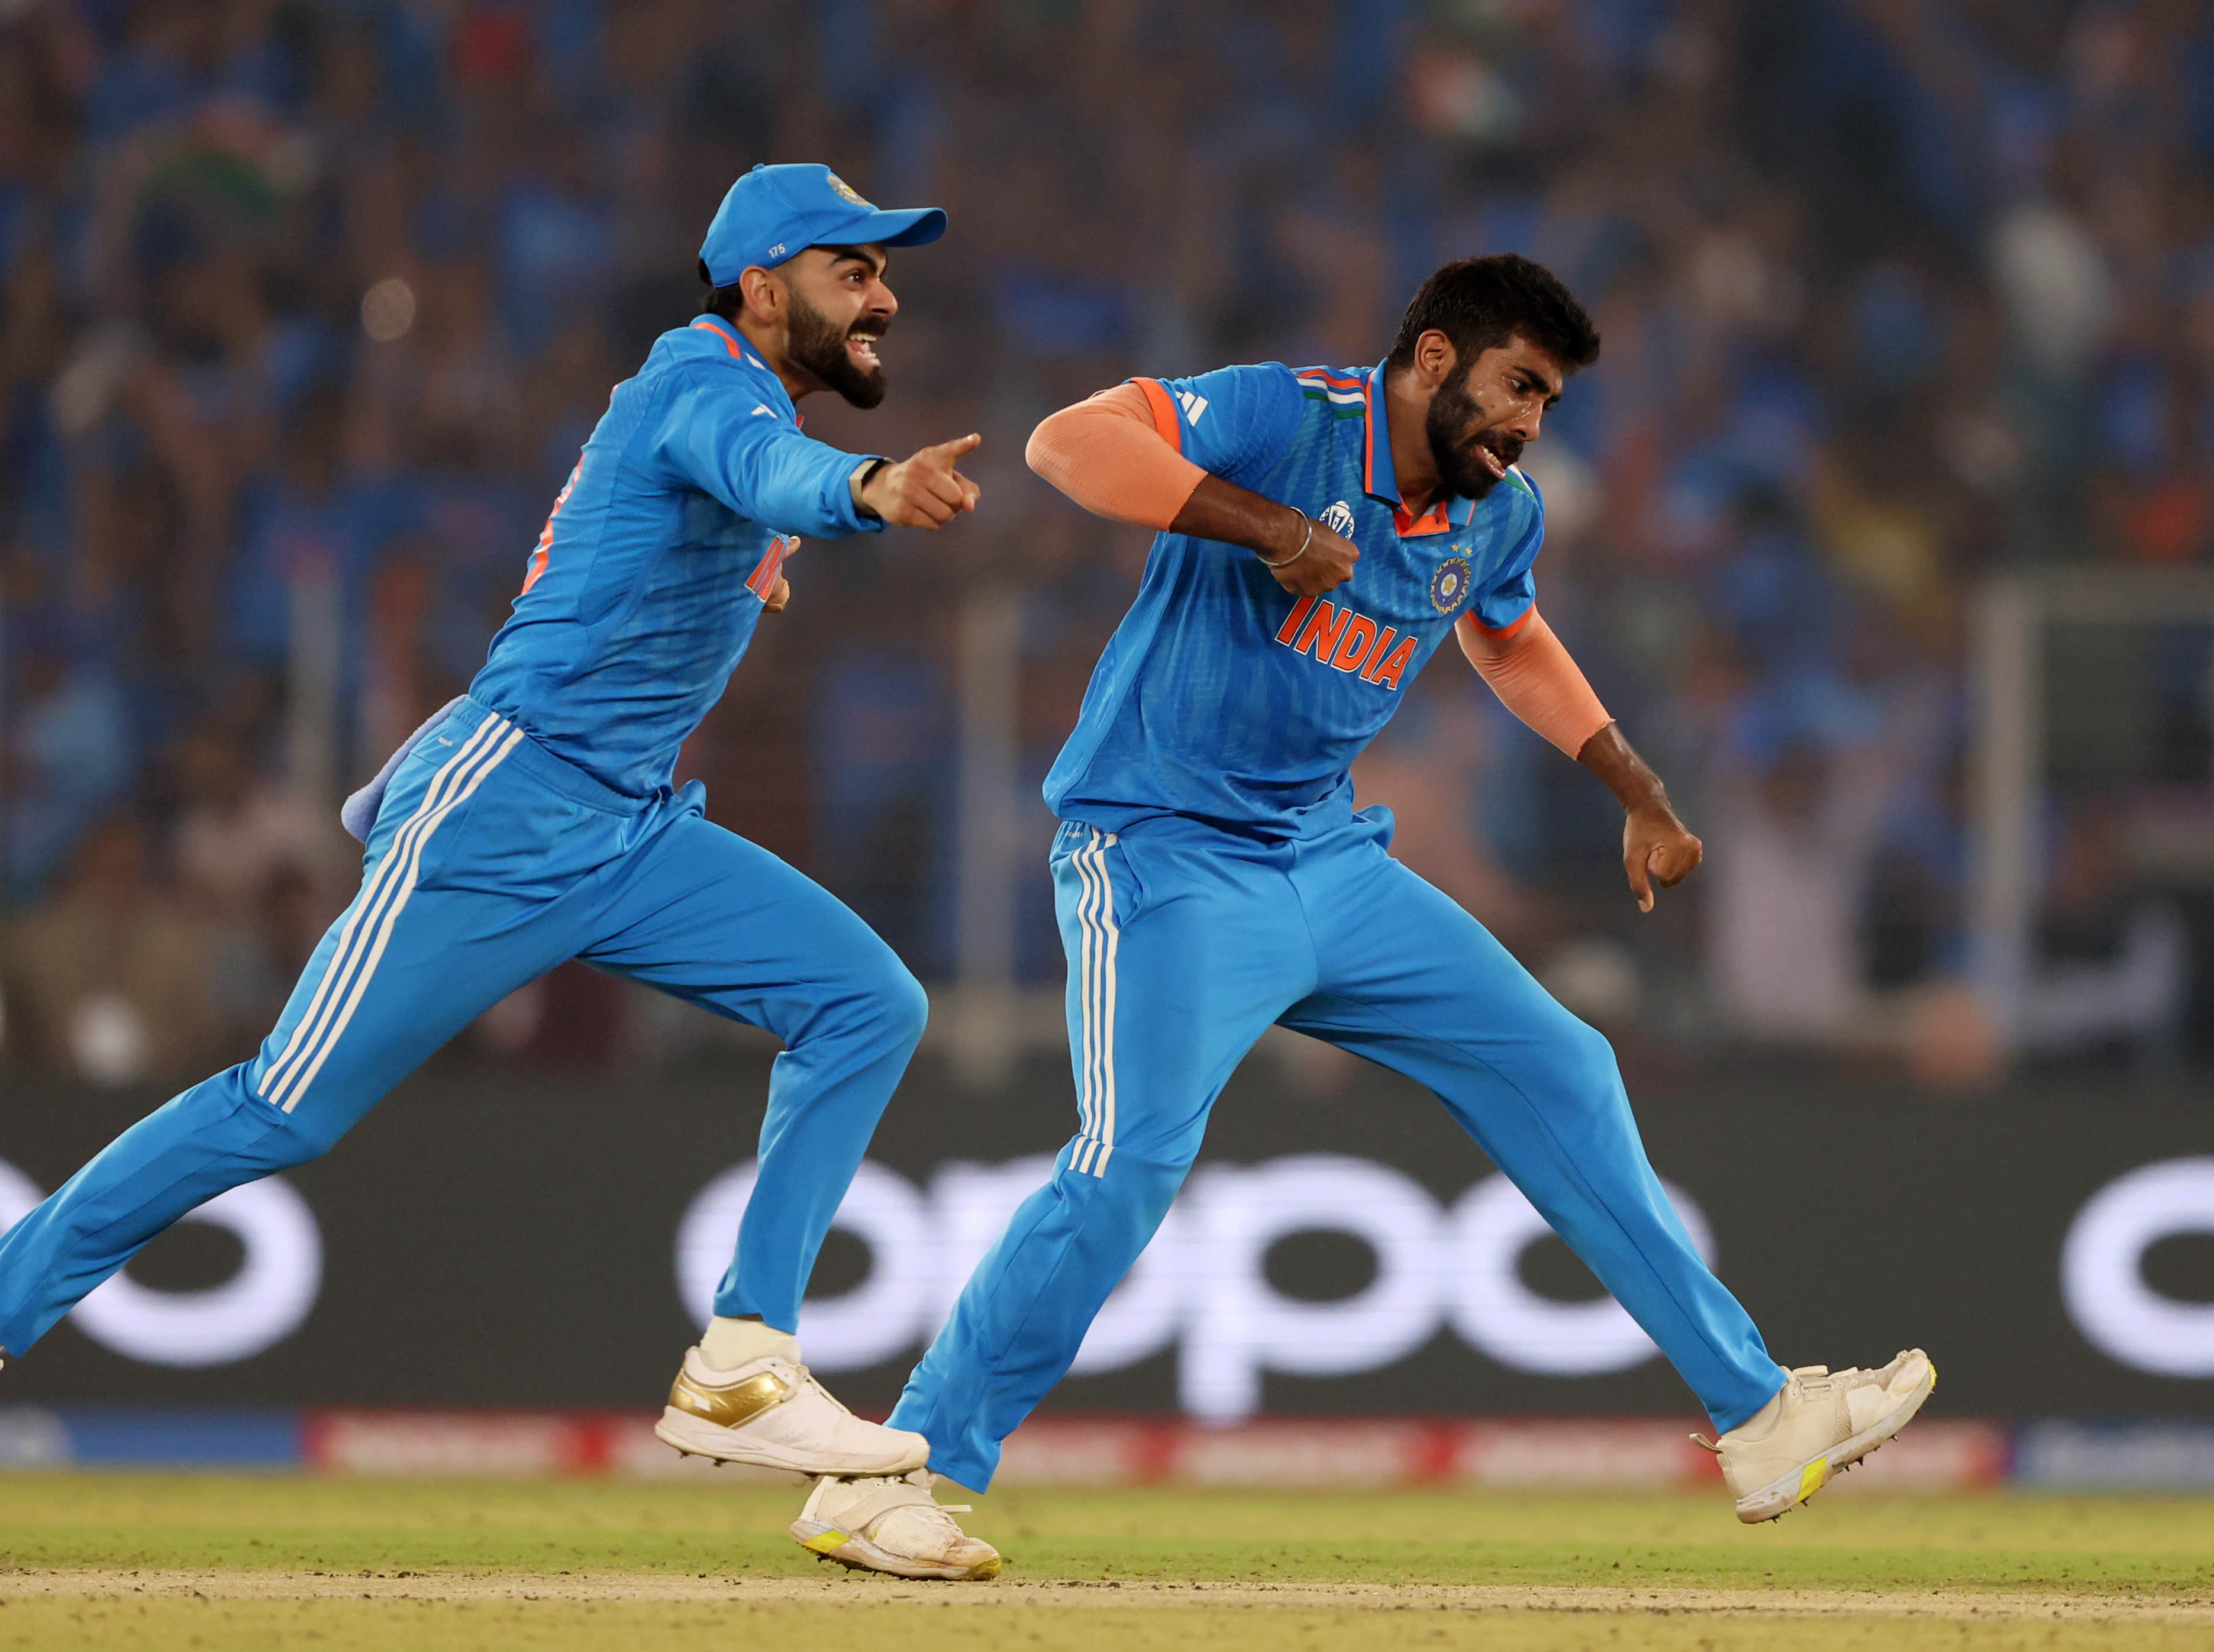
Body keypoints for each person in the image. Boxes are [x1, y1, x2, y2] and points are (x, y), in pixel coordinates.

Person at [0, 164, 987, 1514]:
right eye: (851, 271)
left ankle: (745, 1356)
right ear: (760, 286)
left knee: (866, 1003)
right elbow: (769, 469)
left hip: (628, 827)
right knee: (284, 1107)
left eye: (882, 272)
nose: (882, 297)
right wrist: (867, 486)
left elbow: (731, 498)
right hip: (503, 813)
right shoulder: (700, 381)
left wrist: (770, 544)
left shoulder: (734, 405)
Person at [787, 255, 1934, 1580]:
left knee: (1562, 1064)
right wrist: (1269, 527)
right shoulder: (1288, 416)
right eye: (1517, 386)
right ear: (1433, 358)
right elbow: (1065, 445)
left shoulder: (1499, 513)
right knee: (1129, 1163)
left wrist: (1635, 787)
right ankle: (893, 1476)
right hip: (1162, 851)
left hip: (1327, 860)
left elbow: (1506, 637)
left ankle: (1757, 1413)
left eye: (1548, 403)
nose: (1528, 423)